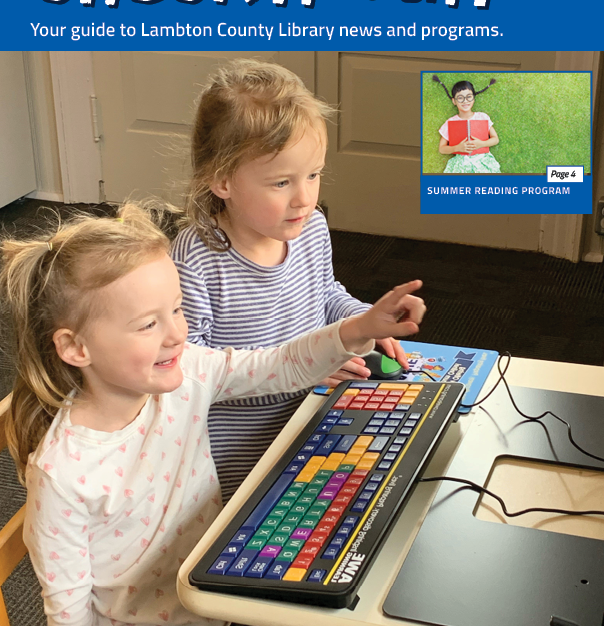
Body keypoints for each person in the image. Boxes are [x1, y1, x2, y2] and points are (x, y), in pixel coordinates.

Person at [1, 204, 426, 626]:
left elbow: (276, 366)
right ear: (76, 348)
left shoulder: (187, 373)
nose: (176, 334)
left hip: (216, 597)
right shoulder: (62, 474)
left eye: (178, 309)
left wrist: (359, 328)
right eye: (148, 324)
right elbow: (67, 609)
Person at [172, 60, 408, 502]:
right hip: (239, 459)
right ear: (221, 179)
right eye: (282, 182)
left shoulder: (311, 228)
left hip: (312, 420)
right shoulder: (198, 258)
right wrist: (307, 368)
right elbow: (188, 373)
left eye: (314, 175)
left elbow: (325, 294)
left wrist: (365, 319)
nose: (305, 198)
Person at [434, 75, 501, 173]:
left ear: (473, 98)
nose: (465, 101)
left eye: (469, 97)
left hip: (482, 160)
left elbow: (495, 139)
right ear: (454, 101)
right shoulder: (450, 122)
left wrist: (482, 144)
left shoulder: (483, 117)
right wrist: (458, 148)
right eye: (460, 98)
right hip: (462, 163)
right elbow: (442, 149)